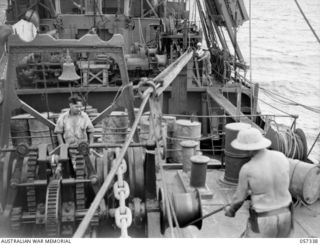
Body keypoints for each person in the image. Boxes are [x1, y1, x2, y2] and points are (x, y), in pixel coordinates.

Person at [224, 127, 293, 238]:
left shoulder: (247, 169)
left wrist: (230, 210)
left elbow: (239, 198)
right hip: (286, 214)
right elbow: (282, 181)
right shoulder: (282, 157)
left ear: (248, 149)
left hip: (263, 219)